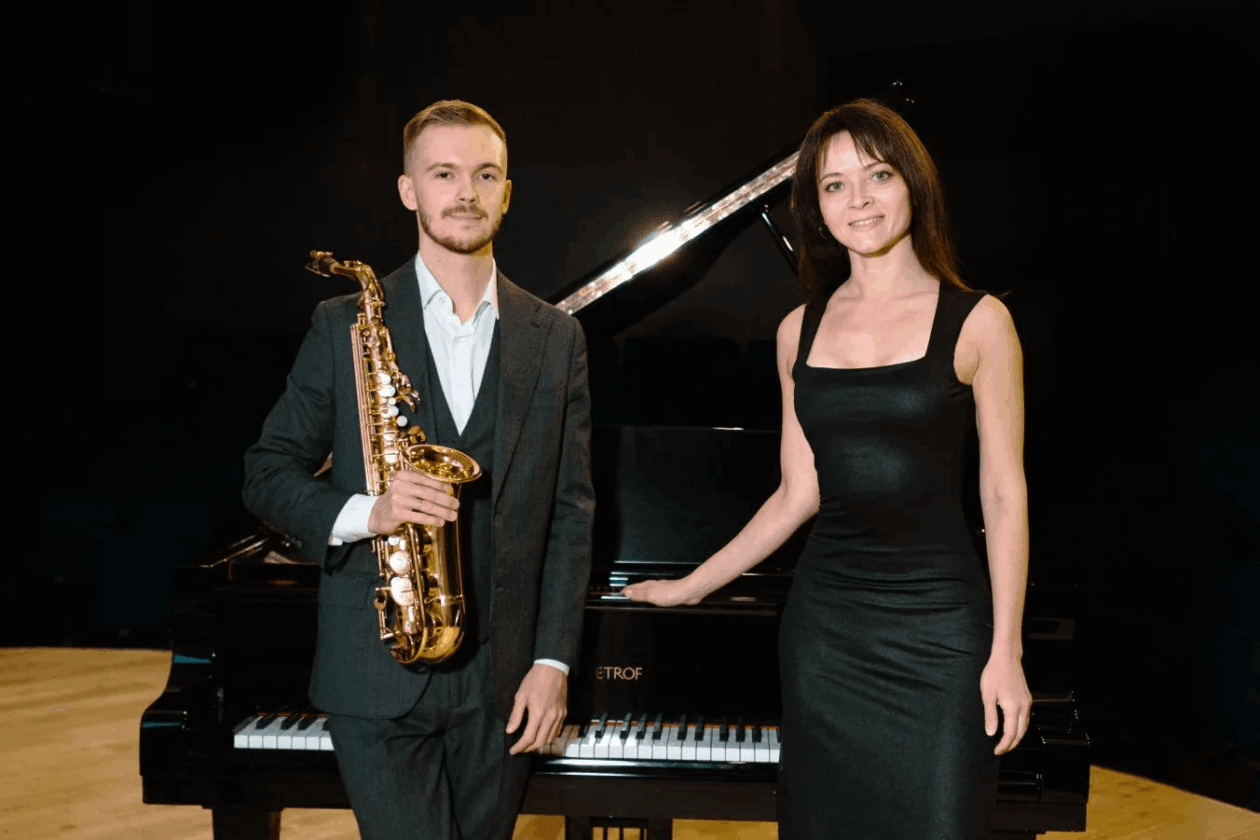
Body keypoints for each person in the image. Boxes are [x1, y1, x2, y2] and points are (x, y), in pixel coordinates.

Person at [623, 98, 1032, 838]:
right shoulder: (797, 331)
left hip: (943, 632)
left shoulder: (980, 322)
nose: (859, 200)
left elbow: (1004, 495)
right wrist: (691, 585)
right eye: (835, 185)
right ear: (816, 207)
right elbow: (796, 492)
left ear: (913, 183)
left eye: (878, 175)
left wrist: (1007, 650)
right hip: (827, 635)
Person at [243, 99, 594, 840]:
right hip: (377, 675)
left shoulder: (557, 337)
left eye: (485, 175)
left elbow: (570, 514)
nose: (466, 192)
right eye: (443, 174)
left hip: (505, 683)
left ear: (507, 192)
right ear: (409, 190)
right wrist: (368, 512)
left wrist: (554, 663)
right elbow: (267, 473)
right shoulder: (343, 323)